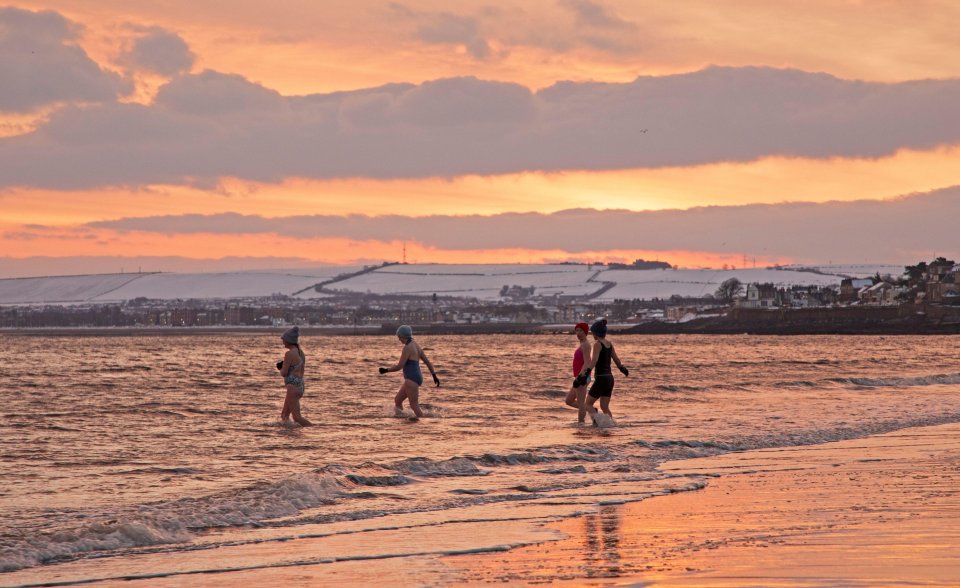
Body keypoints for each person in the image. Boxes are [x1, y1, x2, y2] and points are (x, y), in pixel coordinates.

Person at [378, 325, 439, 419]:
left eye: (399, 337)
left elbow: (399, 366)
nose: (399, 340)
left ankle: (423, 423)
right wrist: (434, 375)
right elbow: (427, 362)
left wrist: (386, 370)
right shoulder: (416, 345)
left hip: (411, 379)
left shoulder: (407, 348)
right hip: (416, 378)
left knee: (414, 405)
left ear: (403, 336)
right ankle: (400, 417)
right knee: (397, 400)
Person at [575, 318, 628, 424]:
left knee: (588, 403)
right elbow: (616, 359)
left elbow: (594, 360)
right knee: (604, 406)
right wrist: (622, 369)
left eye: (593, 332)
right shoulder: (609, 344)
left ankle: (597, 424)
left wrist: (585, 374)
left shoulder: (597, 344)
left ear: (596, 333)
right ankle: (612, 424)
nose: (592, 335)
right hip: (610, 379)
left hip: (601, 378)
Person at [277, 326, 312, 426]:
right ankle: (288, 434)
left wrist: (281, 367)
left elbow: (283, 373)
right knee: (284, 415)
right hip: (300, 385)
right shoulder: (301, 353)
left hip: (292, 387)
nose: (282, 341)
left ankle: (314, 429)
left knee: (297, 417)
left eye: (283, 339)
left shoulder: (289, 354)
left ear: (288, 340)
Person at [564, 322, 593, 423]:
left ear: (585, 332)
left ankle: (581, 426)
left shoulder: (585, 345)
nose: (578, 333)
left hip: (583, 377)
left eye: (581, 331)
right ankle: (591, 410)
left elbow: (587, 363)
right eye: (577, 330)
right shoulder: (582, 344)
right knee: (569, 401)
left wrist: (580, 377)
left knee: (581, 404)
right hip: (580, 376)